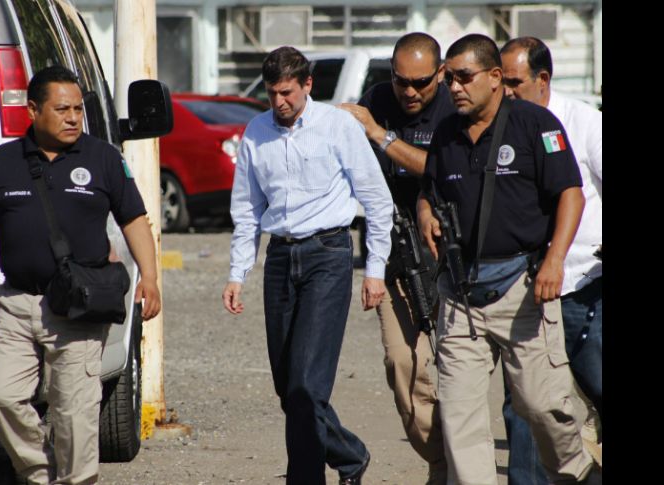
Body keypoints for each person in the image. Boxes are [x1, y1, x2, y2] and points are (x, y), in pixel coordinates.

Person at [0, 66, 161, 485]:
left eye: (78, 109)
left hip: (78, 305)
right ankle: (39, 471)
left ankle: (76, 479)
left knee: (74, 412)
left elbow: (135, 221)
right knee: (1, 399)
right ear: (33, 110)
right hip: (16, 304)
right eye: (62, 109)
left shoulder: (104, 158)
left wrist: (151, 276)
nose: (73, 117)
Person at [416, 34, 597, 484]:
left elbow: (570, 194)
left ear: (495, 78)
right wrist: (423, 210)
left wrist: (555, 261)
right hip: (459, 295)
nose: (453, 87)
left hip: (523, 288)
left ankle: (580, 473)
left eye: (463, 77)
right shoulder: (446, 133)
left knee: (541, 406)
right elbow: (432, 188)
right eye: (448, 78)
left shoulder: (538, 125)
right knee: (461, 420)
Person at [222, 46, 393, 485]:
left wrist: (375, 269)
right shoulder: (256, 133)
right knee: (289, 389)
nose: (280, 102)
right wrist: (238, 273)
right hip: (280, 257)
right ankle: (349, 453)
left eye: (287, 93)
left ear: (307, 86)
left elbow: (377, 199)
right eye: (272, 94)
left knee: (307, 387)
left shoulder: (337, 127)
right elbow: (246, 209)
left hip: (328, 257)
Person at [338, 32, 454, 485]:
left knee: (435, 368)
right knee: (401, 366)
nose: (409, 92)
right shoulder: (377, 99)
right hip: (390, 252)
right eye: (400, 81)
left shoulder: (452, 106)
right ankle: (440, 461)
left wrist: (379, 134)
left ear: (440, 75)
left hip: (443, 254)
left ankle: (453, 465)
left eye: (420, 82)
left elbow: (441, 167)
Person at [499, 36, 603, 484]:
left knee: (597, 387)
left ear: (543, 80)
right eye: (499, 82)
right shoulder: (498, 127)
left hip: (583, 281)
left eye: (514, 83)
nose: (505, 92)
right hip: (522, 289)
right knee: (525, 402)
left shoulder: (583, 122)